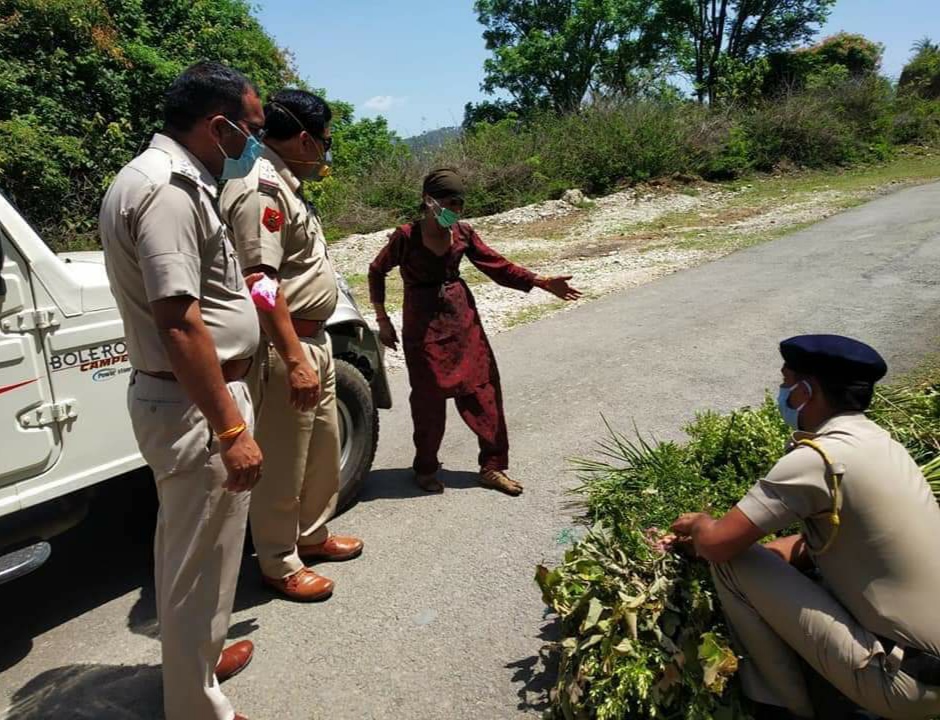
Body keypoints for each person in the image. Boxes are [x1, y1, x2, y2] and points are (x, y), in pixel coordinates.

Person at [99, 61, 266, 720]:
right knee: (200, 562)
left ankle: (194, 654)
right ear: (216, 125)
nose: (254, 142)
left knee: (188, 552)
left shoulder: (168, 179)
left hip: (188, 401)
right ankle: (196, 707)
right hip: (199, 407)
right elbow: (180, 320)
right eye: (249, 129)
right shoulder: (167, 190)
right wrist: (231, 430)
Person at [663, 335, 940, 720]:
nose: (781, 391)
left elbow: (717, 546)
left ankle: (781, 706)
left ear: (805, 391)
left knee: (732, 565)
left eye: (786, 380)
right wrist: (770, 560)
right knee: (769, 561)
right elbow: (836, 543)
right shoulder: (882, 444)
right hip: (930, 678)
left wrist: (698, 526)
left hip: (901, 687)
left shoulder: (820, 459)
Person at [220, 89, 363, 603]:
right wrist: (294, 357)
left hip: (312, 339)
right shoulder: (262, 189)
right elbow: (259, 280)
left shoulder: (287, 183)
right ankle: (279, 561)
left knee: (320, 448)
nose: (326, 151)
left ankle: (313, 534)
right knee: (284, 457)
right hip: (286, 347)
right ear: (304, 138)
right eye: (324, 141)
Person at [368, 168, 582, 495]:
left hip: (461, 318)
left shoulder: (463, 233)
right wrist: (382, 320)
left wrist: (539, 281)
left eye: (460, 203)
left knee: (483, 389)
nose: (456, 209)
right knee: (428, 399)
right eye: (449, 202)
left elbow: (497, 266)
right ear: (429, 201)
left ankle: (492, 467)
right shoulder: (406, 237)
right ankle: (425, 467)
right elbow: (375, 271)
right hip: (421, 324)